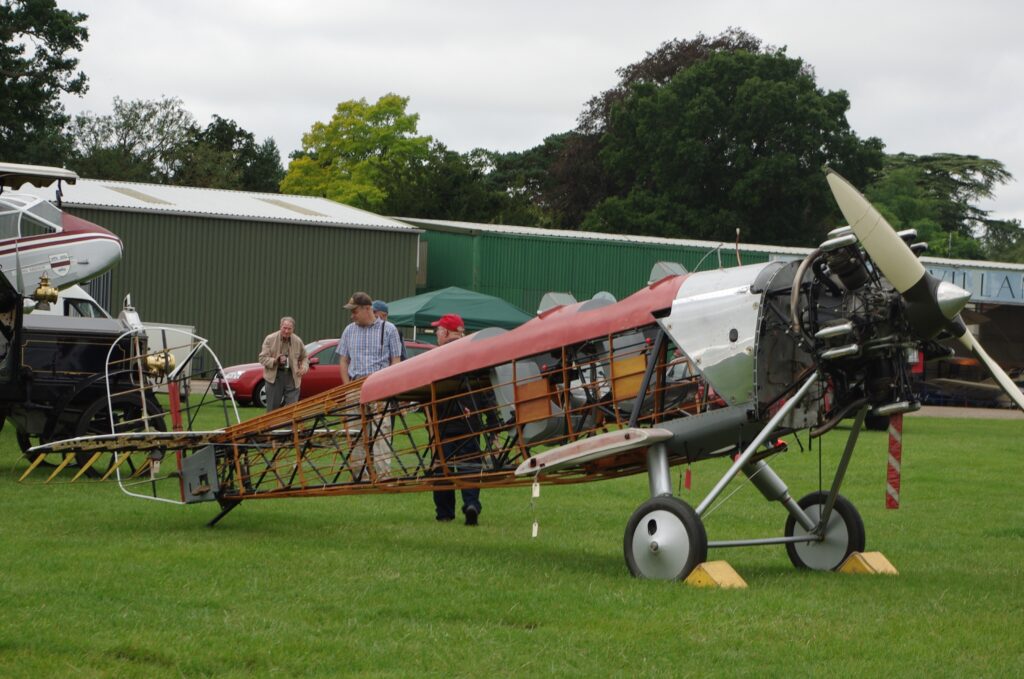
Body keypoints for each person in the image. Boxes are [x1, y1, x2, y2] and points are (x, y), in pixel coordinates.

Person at [430, 313, 493, 526]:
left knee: (442, 468)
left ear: (446, 332)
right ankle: (471, 504)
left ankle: (445, 513)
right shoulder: (475, 354)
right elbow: (487, 388)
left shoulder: (436, 357)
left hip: (444, 422)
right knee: (470, 465)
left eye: (438, 330)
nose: (436, 334)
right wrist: (492, 422)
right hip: (471, 420)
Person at [337, 291, 403, 480]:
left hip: (379, 386)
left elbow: (396, 360)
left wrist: (389, 385)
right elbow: (343, 360)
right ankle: (359, 476)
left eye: (355, 311)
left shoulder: (389, 329)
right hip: (355, 386)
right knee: (355, 432)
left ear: (367, 309)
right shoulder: (349, 330)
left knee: (382, 431)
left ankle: (384, 476)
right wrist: (347, 387)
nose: (352, 315)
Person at [257, 316, 309, 412]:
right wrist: (275, 360)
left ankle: (289, 422)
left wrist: (304, 367)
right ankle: (272, 422)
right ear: (280, 326)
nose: (286, 331)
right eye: (284, 328)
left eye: (289, 329)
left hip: (292, 377)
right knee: (272, 411)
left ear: (293, 329)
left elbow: (305, 357)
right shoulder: (270, 339)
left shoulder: (298, 341)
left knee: (292, 411)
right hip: (274, 378)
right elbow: (262, 358)